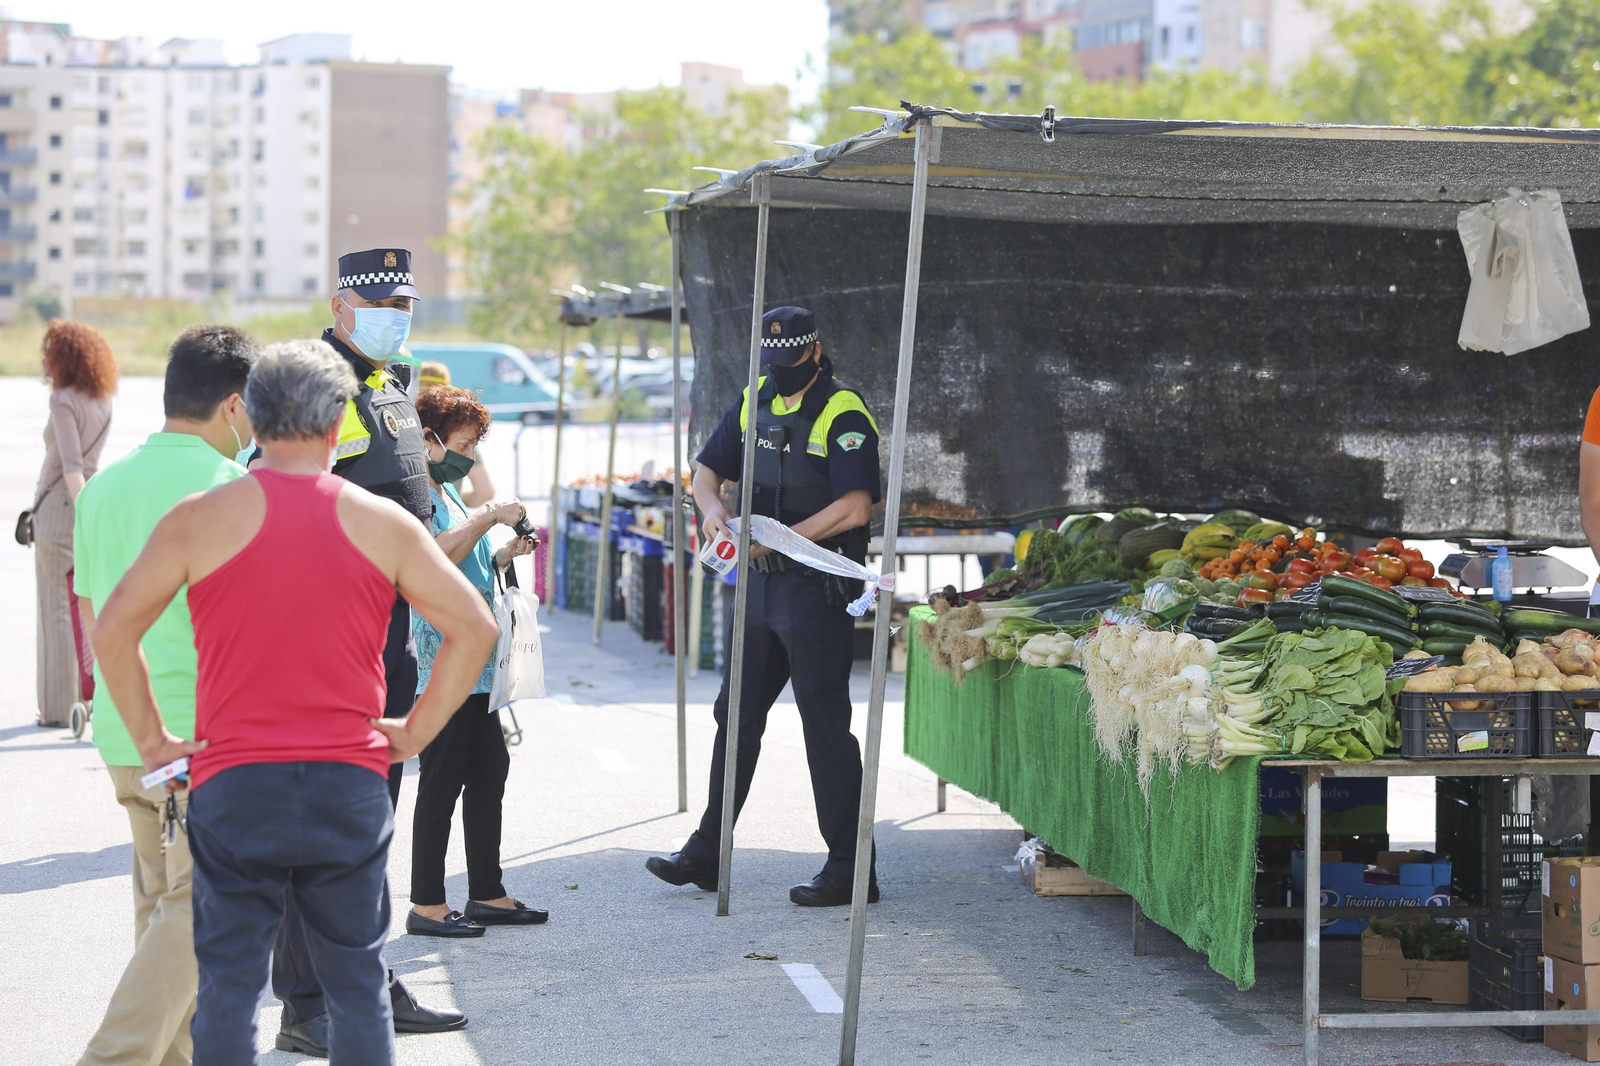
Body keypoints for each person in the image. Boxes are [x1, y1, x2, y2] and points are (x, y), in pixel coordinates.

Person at [91, 339, 499, 1066]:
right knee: (357, 987)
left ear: (251, 413)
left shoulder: (198, 518)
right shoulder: (382, 522)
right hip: (346, 781)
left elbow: (113, 629)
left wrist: (154, 743)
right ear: (338, 420)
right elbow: (475, 627)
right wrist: (413, 732)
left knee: (228, 989)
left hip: (234, 782)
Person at [269, 249, 467, 1054]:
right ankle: (306, 1004)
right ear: (340, 305)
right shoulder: (316, 386)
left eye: (404, 302)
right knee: (325, 825)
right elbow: (284, 502)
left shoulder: (386, 383)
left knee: (365, 827)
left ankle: (364, 982)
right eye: (380, 303)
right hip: (335, 637)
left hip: (386, 637)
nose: (396, 315)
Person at [645, 306, 884, 907]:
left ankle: (852, 868)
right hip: (757, 588)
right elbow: (706, 470)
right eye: (771, 360)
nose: (780, 370)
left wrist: (782, 539)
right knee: (736, 715)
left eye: (790, 359)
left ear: (815, 351)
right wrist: (711, 511)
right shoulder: (756, 398)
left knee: (823, 724)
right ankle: (707, 851)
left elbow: (857, 506)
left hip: (815, 589)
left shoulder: (843, 410)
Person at [71, 325, 256, 1066]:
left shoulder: (103, 488)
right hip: (199, 740)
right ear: (235, 406)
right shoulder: (234, 491)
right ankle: (113, 1058)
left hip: (126, 736)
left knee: (162, 920)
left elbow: (96, 623)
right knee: (200, 914)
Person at [406, 385, 540, 937]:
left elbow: (471, 560)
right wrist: (489, 514)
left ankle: (487, 891)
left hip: (480, 664)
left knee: (489, 772)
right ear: (429, 440)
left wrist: (505, 552)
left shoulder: (451, 493)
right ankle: (426, 904)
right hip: (444, 661)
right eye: (462, 444)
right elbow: (436, 557)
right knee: (442, 780)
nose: (469, 455)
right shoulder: (417, 495)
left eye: (474, 445)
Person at [33, 319, 116, 727]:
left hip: (61, 506)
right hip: (89, 499)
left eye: (49, 351)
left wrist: (82, 516)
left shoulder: (62, 400)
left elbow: (70, 466)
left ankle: (55, 708)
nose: (44, 360)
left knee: (53, 607)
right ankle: (84, 696)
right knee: (81, 603)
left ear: (65, 356)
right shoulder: (103, 400)